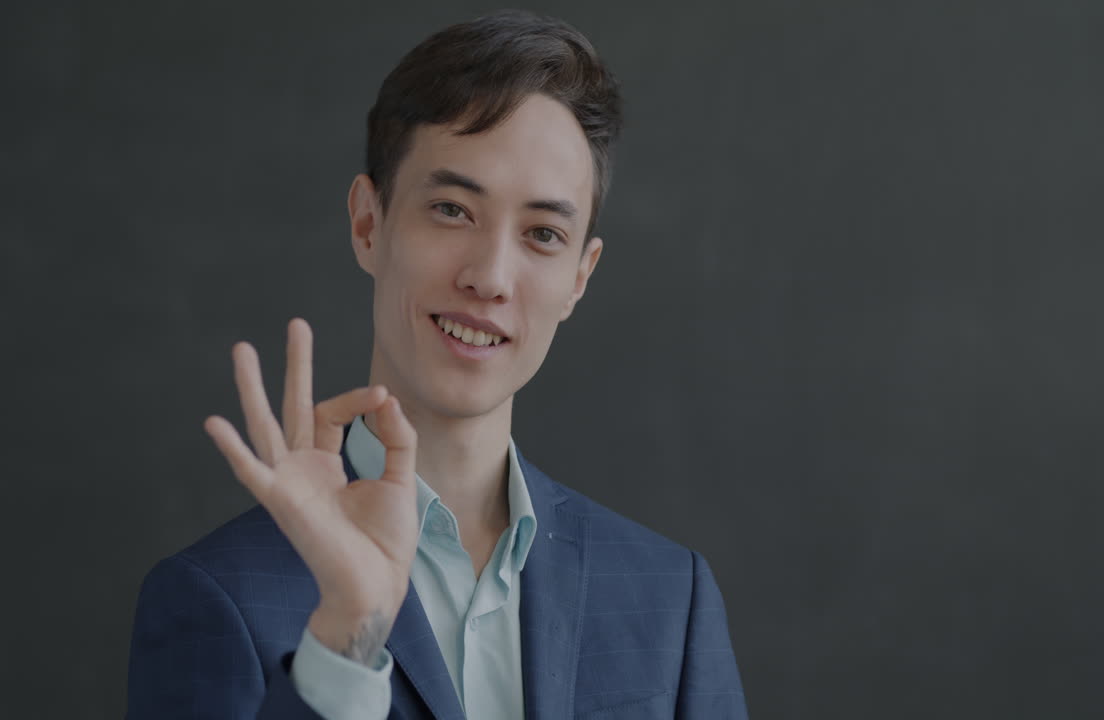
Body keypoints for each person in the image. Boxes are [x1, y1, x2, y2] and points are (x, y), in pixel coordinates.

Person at [126, 9, 748, 719]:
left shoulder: (671, 596)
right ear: (369, 224)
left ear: (580, 275)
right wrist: (346, 642)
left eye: (544, 233)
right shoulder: (217, 594)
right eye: (452, 210)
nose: (490, 277)